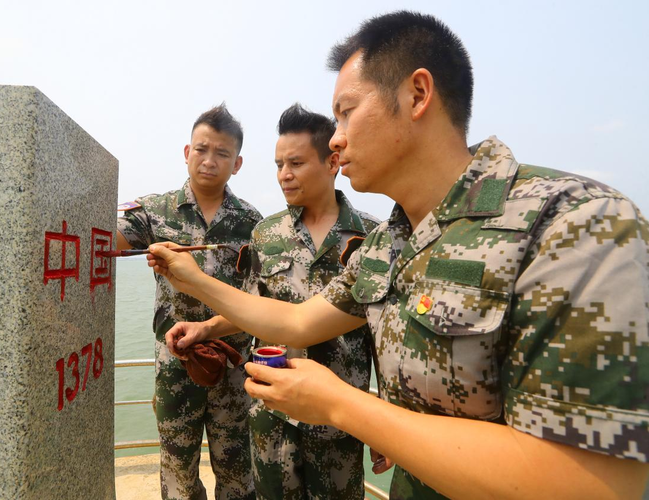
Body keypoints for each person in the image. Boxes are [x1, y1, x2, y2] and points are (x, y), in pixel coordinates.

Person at [148, 11, 649, 499]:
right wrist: (191, 280)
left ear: (417, 94)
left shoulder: (575, 223)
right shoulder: (389, 243)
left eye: (347, 112)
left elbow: (594, 482)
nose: (337, 139)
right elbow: (298, 322)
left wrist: (345, 407)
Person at [168, 103, 379, 499]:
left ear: (332, 162)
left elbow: (384, 335)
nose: (284, 175)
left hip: (340, 418)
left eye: (296, 163)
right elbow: (251, 309)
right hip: (271, 413)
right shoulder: (266, 234)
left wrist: (386, 425)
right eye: (279, 164)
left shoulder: (372, 237)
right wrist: (204, 327)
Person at [117, 104, 261, 500]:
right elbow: (105, 238)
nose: (209, 161)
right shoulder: (154, 211)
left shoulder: (254, 223)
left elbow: (258, 298)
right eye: (201, 149)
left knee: (237, 471)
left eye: (222, 153)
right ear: (186, 152)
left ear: (238, 163)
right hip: (176, 361)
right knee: (177, 469)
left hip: (234, 365)